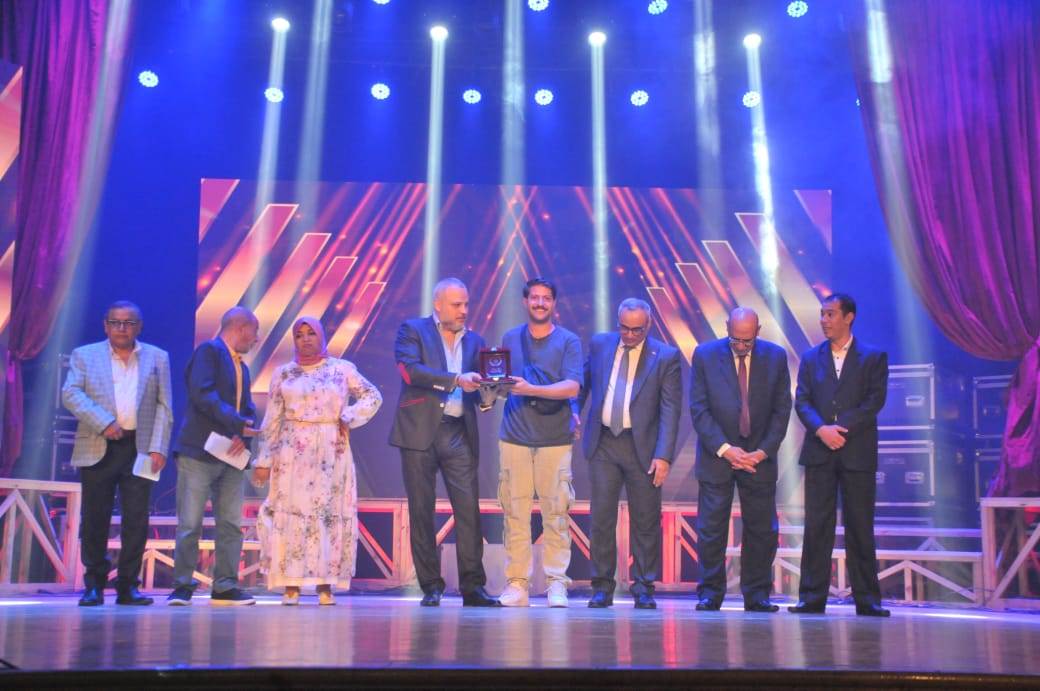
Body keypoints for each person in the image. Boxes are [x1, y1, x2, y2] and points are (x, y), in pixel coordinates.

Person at [252, 317, 382, 605]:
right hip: (292, 451)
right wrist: (263, 460)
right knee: (291, 513)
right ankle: (291, 585)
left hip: (331, 449)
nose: (306, 339)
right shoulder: (283, 374)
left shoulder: (341, 369)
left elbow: (373, 396)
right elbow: (272, 419)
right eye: (299, 335)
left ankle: (326, 585)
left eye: (311, 333)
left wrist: (348, 416)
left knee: (329, 512)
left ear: (321, 336)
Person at [389, 278, 500, 607]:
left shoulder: (475, 340)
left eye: (466, 304)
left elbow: (479, 389)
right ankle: (431, 586)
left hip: (457, 431)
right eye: (456, 304)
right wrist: (455, 380)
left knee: (468, 511)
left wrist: (489, 394)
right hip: (419, 430)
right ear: (438, 305)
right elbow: (410, 372)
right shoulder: (412, 330)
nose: (464, 310)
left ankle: (473, 587)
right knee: (421, 509)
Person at [62, 301, 172, 606]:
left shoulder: (157, 357)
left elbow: (164, 406)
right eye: (116, 322)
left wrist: (158, 446)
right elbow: (70, 393)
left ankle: (128, 586)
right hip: (98, 443)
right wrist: (103, 421)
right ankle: (94, 585)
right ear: (105, 325)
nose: (122, 328)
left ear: (139, 327)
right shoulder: (85, 355)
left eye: (129, 322)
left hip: (140, 447)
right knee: (95, 518)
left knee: (136, 519)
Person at [789, 293, 891, 617]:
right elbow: (802, 400)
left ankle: (868, 600)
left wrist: (840, 429)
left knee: (860, 526)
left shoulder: (873, 357)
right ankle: (811, 598)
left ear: (849, 317)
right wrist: (822, 430)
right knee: (817, 526)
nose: (824, 320)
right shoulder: (810, 358)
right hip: (820, 451)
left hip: (856, 452)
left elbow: (874, 401)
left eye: (831, 314)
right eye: (822, 314)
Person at [577, 298, 682, 610]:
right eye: (625, 328)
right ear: (618, 322)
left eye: (637, 330)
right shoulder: (601, 344)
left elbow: (670, 410)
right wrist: (573, 411)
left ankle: (644, 587)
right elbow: (583, 384)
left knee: (645, 520)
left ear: (648, 325)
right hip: (604, 443)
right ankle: (601, 587)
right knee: (601, 518)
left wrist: (663, 456)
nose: (630, 335)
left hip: (643, 448)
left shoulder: (665, 356)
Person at [689, 307, 792, 612]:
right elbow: (699, 409)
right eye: (736, 340)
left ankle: (757, 594)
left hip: (758, 457)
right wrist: (725, 449)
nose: (742, 346)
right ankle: (710, 593)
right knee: (711, 529)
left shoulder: (775, 357)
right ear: (726, 328)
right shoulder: (705, 355)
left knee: (761, 530)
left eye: (748, 340)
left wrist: (762, 452)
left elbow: (782, 410)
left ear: (758, 331)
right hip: (717, 455)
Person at [497, 277, 582, 608]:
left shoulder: (569, 340)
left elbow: (572, 386)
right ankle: (517, 583)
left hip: (554, 438)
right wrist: (490, 390)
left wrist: (532, 389)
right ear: (525, 301)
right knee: (515, 513)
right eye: (535, 297)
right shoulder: (510, 338)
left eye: (547, 298)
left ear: (554, 304)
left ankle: (556, 583)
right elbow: (502, 382)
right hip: (515, 435)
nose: (540, 303)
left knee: (556, 514)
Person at [168, 306, 260, 606]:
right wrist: (236, 422)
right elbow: (203, 394)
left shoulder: (243, 368)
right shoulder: (209, 351)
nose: (255, 339)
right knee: (190, 523)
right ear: (242, 328)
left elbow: (247, 408)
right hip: (199, 451)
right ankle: (182, 585)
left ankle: (225, 585)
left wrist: (242, 432)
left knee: (230, 523)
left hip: (230, 454)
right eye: (254, 332)